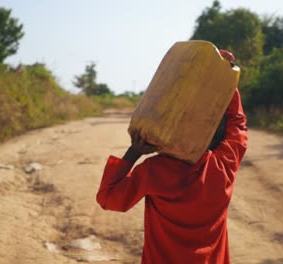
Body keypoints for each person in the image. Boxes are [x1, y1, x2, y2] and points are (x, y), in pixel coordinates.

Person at [96, 52, 248, 264]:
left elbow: (108, 198)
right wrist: (226, 77)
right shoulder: (223, 166)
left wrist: (134, 152)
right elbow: (238, 124)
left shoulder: (155, 171)